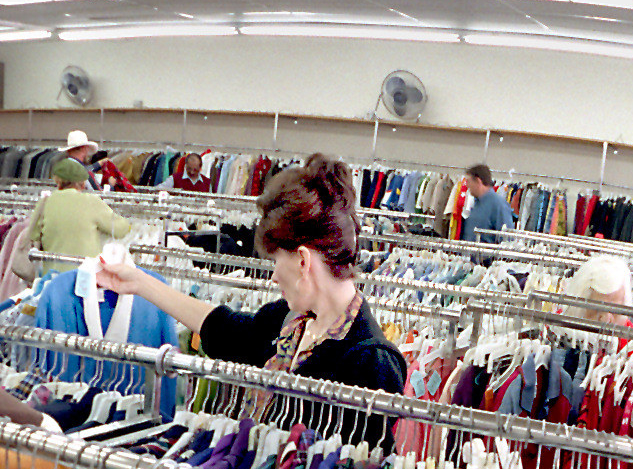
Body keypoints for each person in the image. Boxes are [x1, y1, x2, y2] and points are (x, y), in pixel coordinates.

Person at [98, 154, 407, 442]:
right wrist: (140, 282)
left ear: (302, 261)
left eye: (275, 260)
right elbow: (224, 330)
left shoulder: (372, 364)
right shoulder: (290, 322)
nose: (273, 276)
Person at [13, 157, 133, 279]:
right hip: (85, 278)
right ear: (82, 182)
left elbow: (33, 235)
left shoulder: (45, 202)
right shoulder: (91, 201)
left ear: (57, 181)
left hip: (53, 277)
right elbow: (120, 229)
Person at [462, 164, 514, 246]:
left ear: (478, 181)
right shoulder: (477, 203)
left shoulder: (499, 205)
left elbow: (507, 241)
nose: (467, 185)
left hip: (485, 258)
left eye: (469, 181)